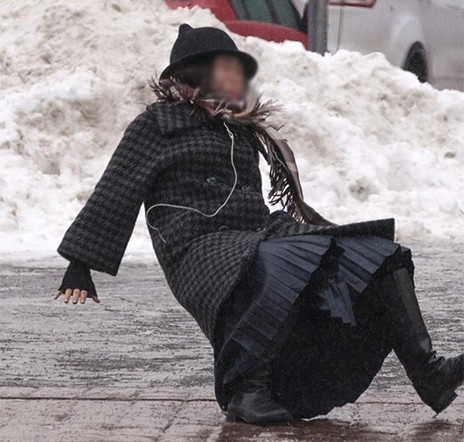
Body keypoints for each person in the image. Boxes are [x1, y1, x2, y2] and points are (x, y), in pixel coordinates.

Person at [54, 23, 464, 425]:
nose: (237, 78)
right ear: (196, 73)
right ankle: (246, 391)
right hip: (195, 246)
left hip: (256, 236)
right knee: (275, 263)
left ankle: (429, 371)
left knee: (378, 254)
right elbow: (117, 188)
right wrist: (80, 263)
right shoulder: (157, 125)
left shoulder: (239, 127)